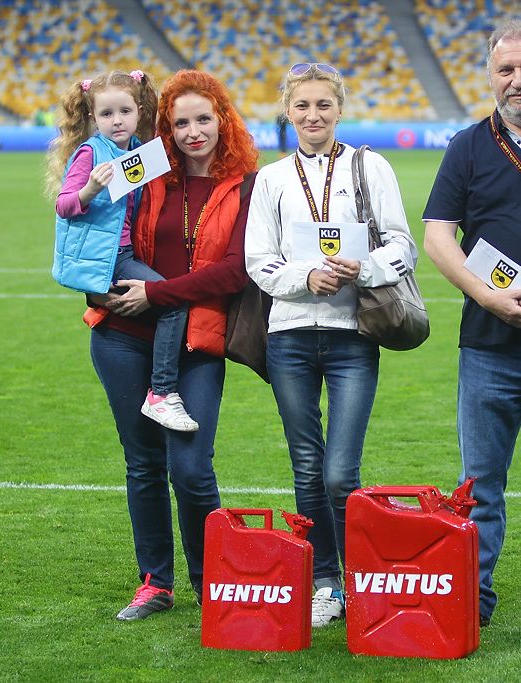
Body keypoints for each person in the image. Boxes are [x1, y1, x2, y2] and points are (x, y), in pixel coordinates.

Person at [245, 62, 418, 627]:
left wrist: (361, 268)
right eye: (302, 106)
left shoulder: (372, 166)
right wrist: (306, 277)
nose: (313, 115)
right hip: (289, 335)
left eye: (323, 105)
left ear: (340, 109)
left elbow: (402, 246)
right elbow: (258, 262)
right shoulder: (271, 178)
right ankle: (325, 581)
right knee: (305, 465)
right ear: (288, 112)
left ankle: (361, 576)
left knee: (341, 471)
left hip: (352, 337)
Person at [84, 69, 259, 620]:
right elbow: (91, 228)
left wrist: (157, 293)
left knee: (190, 467)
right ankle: (156, 583)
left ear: (222, 119)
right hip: (123, 336)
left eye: (203, 119)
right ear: (165, 127)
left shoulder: (247, 182)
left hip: (198, 340)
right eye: (180, 122)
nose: (192, 131)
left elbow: (235, 271)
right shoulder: (148, 169)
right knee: (142, 464)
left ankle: (212, 584)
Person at [423, 19, 521, 628]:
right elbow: (438, 235)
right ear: (490, 75)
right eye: (505, 70)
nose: (516, 82)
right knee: (480, 486)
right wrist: (485, 296)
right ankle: (474, 601)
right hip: (488, 347)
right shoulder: (467, 144)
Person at [47, 69, 198, 431]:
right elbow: (63, 205)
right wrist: (90, 190)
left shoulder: (136, 152)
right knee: (172, 301)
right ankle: (161, 393)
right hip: (111, 258)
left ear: (139, 112)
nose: (117, 121)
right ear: (92, 118)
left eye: (124, 112)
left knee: (162, 302)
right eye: (106, 114)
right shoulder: (91, 153)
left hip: (127, 253)